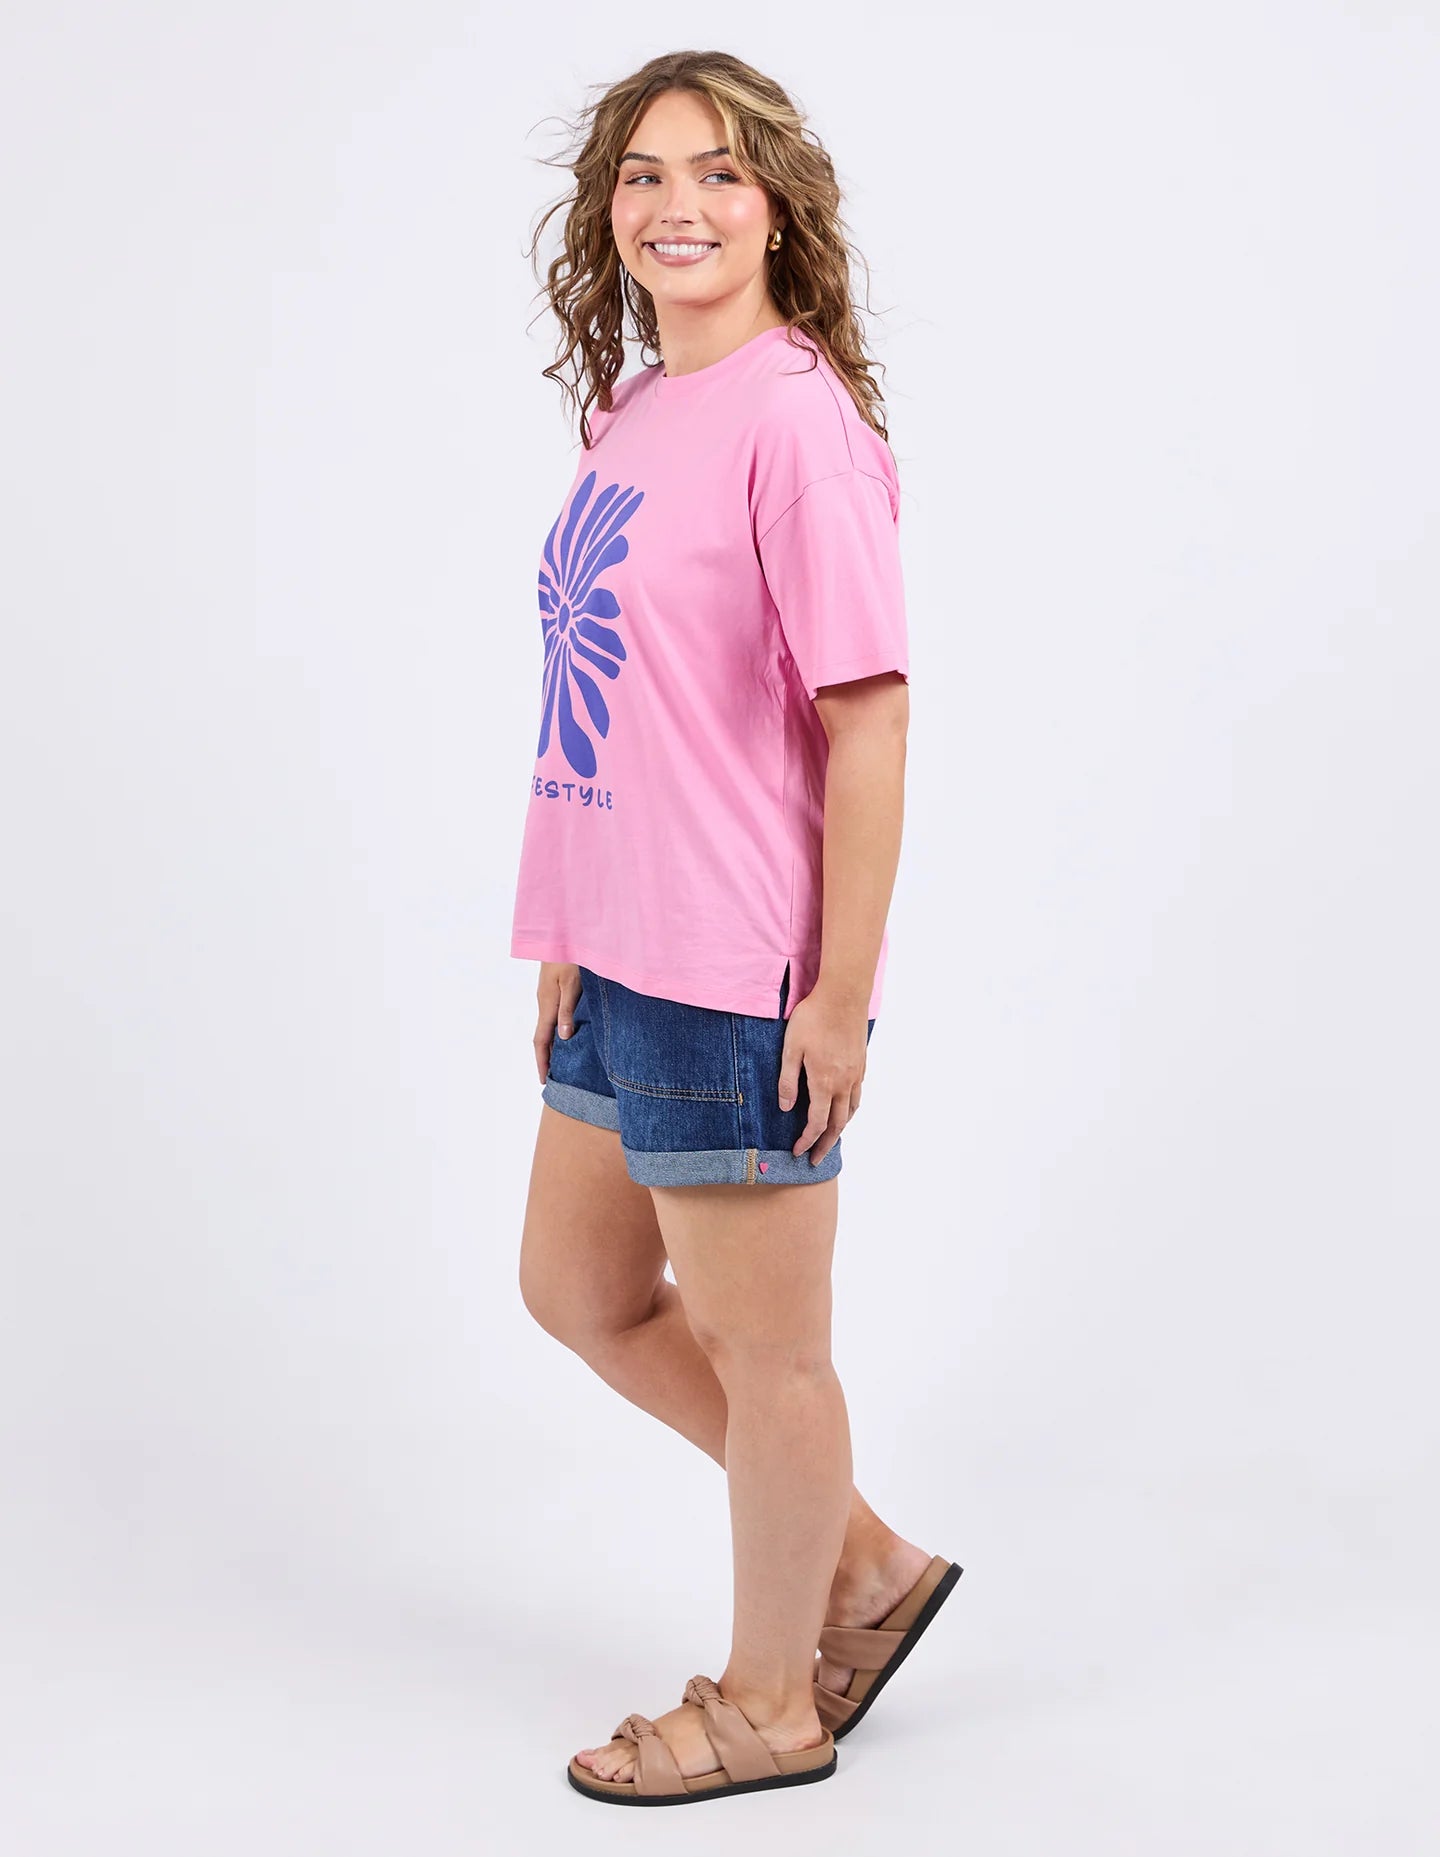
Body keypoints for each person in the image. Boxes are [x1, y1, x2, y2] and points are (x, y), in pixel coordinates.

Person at [511, 51, 961, 1806]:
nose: (676, 204)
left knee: (770, 1355)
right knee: (577, 1289)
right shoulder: (636, 408)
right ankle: (863, 1562)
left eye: (718, 171)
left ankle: (777, 1699)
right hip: (615, 947)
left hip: (737, 968)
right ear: (608, 210)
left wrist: (839, 995)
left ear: (779, 207)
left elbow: (871, 723)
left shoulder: (798, 424)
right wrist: (568, 912)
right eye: (644, 172)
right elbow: (614, 692)